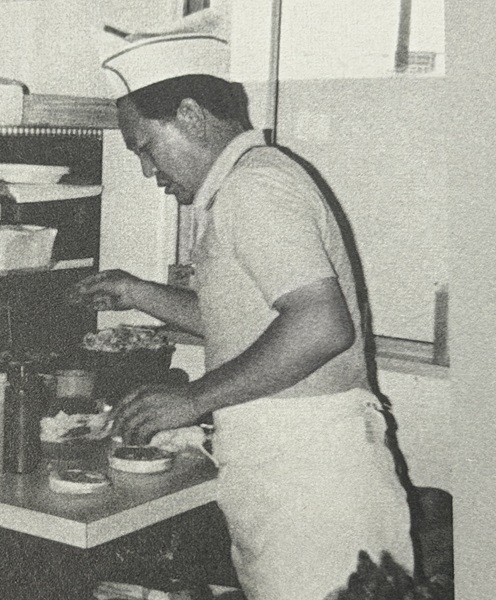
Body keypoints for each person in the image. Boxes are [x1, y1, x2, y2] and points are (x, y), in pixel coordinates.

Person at [72, 32, 415, 600]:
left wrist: (194, 398)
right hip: (299, 472)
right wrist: (136, 292)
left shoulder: (255, 187)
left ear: (191, 116)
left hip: (312, 483)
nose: (145, 169)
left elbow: (321, 326)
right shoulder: (249, 182)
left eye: (145, 147)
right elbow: (250, 324)